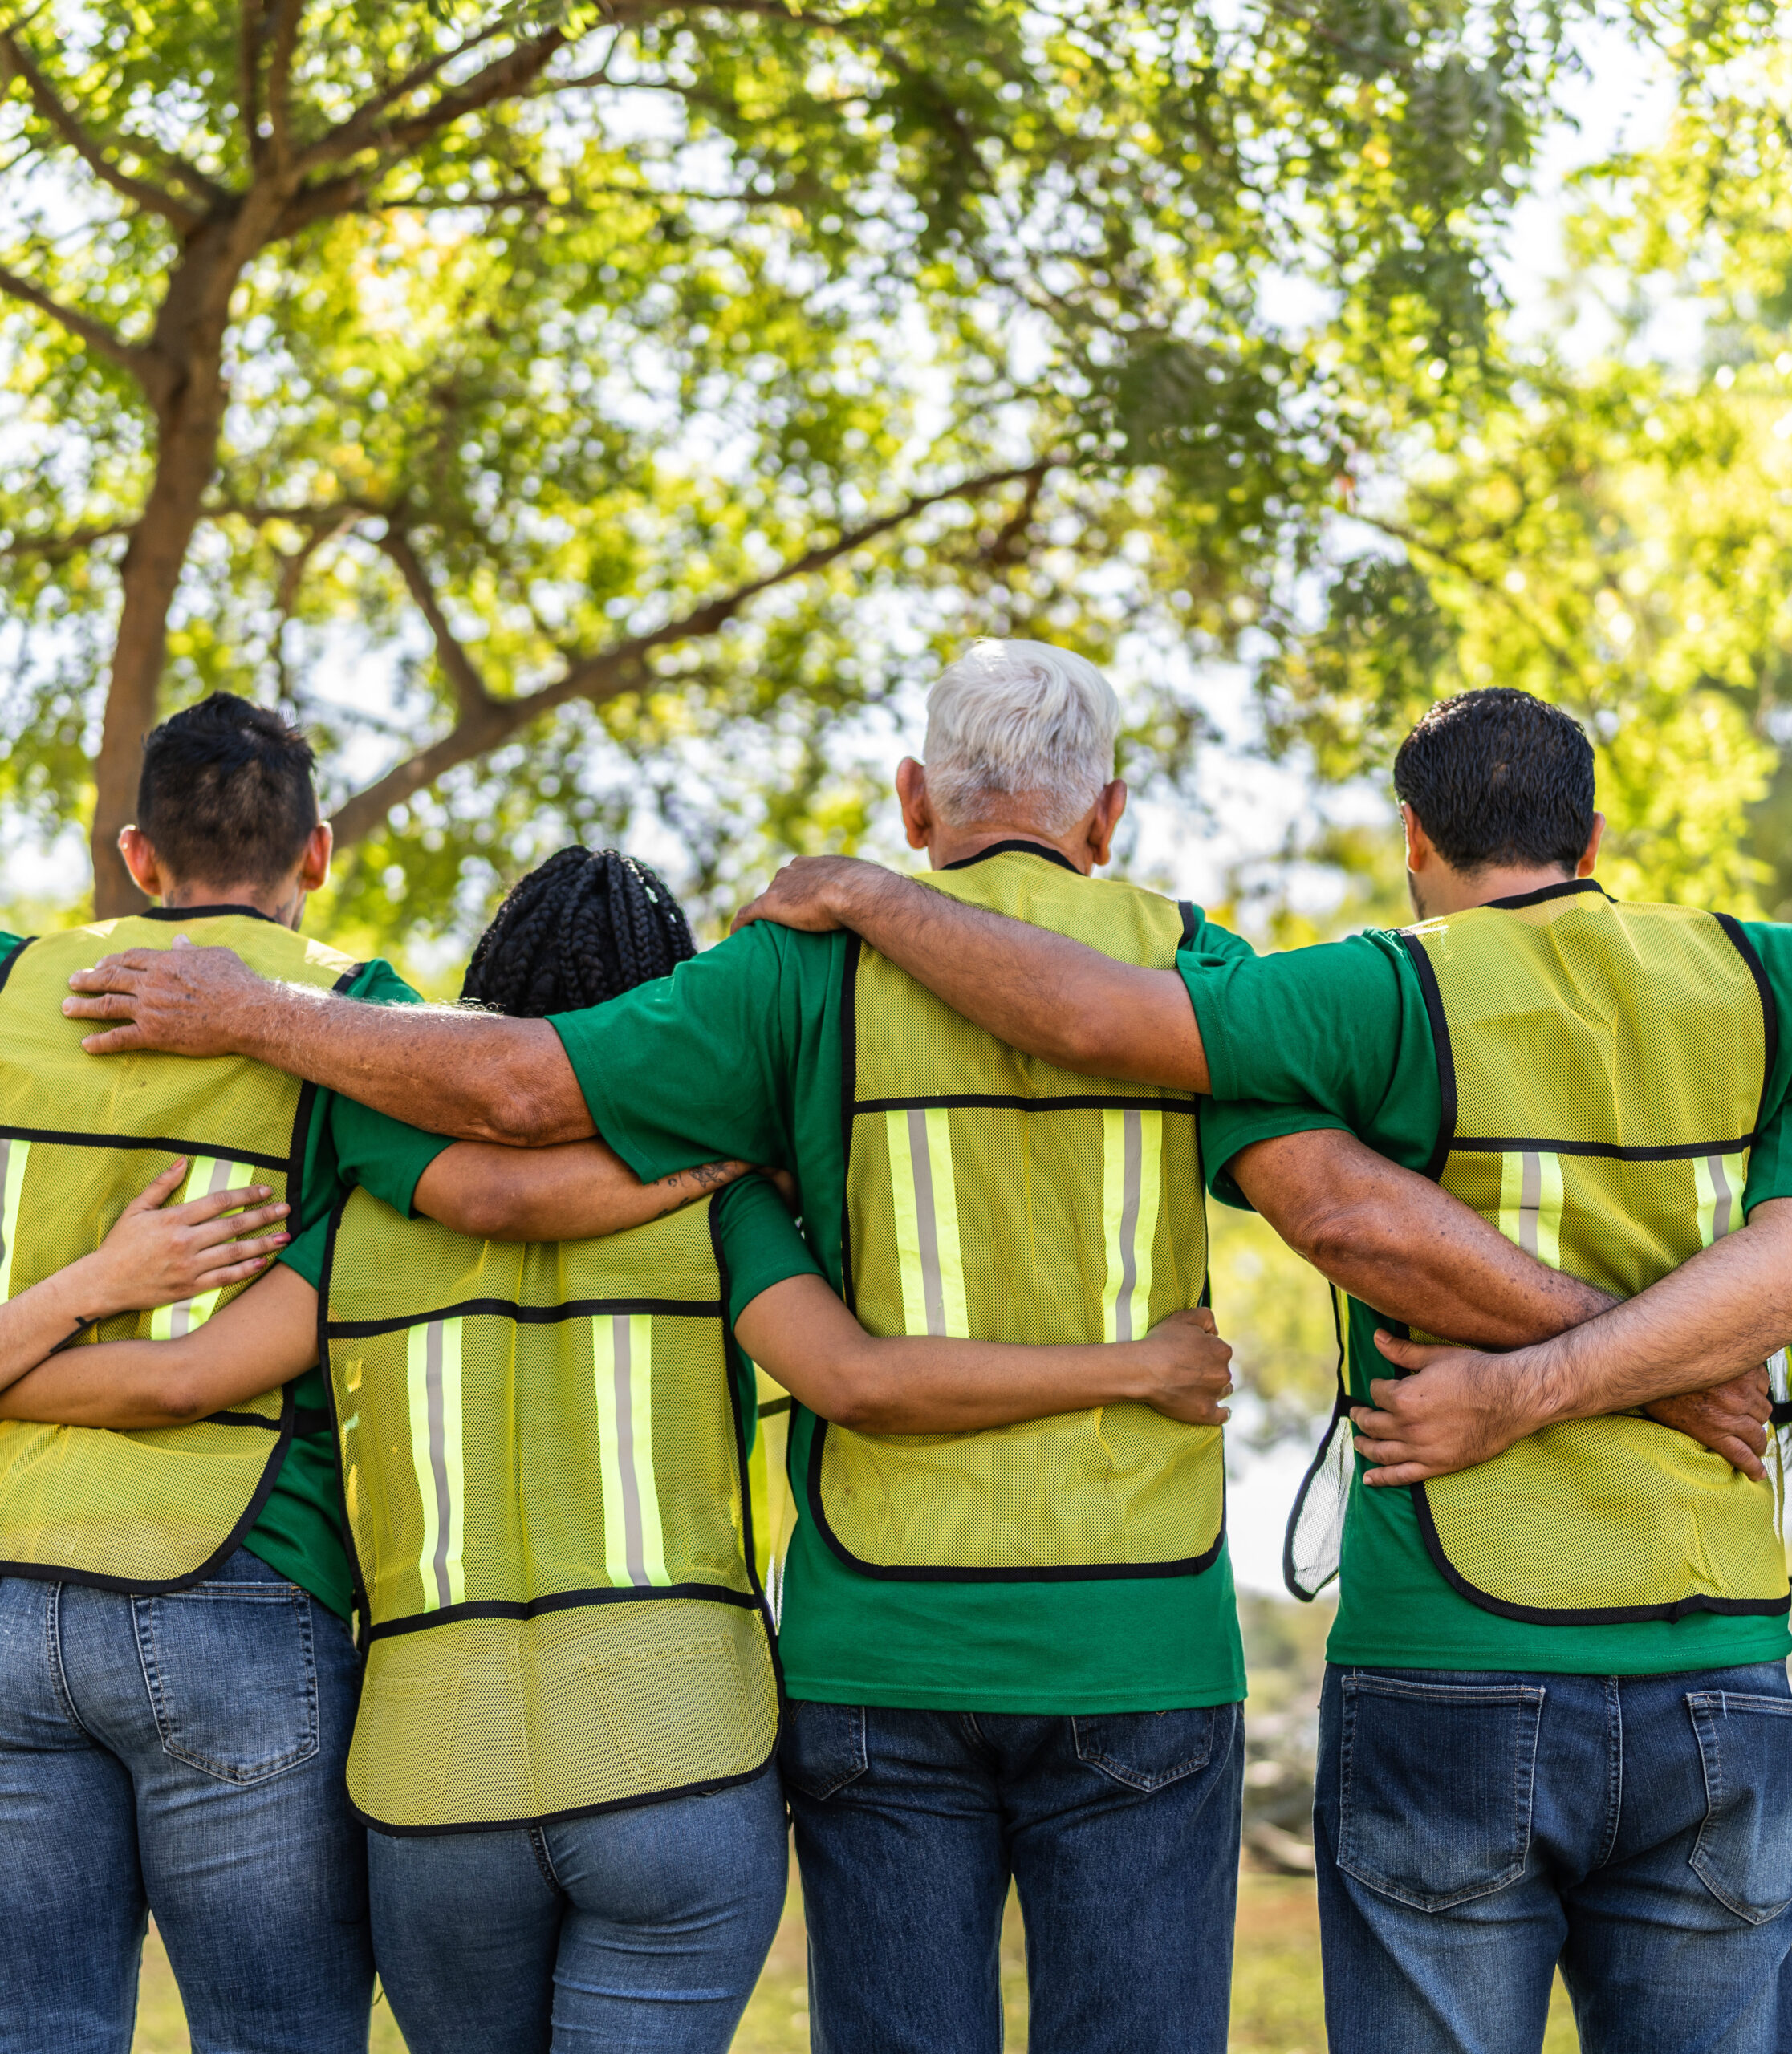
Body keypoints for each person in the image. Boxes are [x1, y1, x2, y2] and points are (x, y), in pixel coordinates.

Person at [53, 647, 1709, 2054]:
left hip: (868, 1654)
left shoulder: (796, 978)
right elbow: (1344, 1211)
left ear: (913, 801)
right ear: (1108, 817)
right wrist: (1629, 1346)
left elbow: (512, 1093)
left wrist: (251, 1012)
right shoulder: (1192, 969)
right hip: (1136, 1645)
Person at [3, 843, 1237, 2054]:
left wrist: (28, 1349)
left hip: (434, 1788)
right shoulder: (726, 1202)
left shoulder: (371, 1207)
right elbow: (857, 1378)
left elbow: (179, 1378)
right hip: (680, 1763)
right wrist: (1134, 1367)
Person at [718, 688, 1792, 2054]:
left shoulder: (1377, 988)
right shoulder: (1763, 980)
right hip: (1719, 1657)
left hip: (1449, 1656)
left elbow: (1111, 1028)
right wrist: (1645, 1373)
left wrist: (875, 897)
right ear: (1592, 834)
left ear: (1412, 837)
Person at [0, 700, 745, 2054]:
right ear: (320, 853)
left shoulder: (10, 983)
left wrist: (63, 1316)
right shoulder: (361, 1025)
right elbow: (502, 1170)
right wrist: (709, 1161)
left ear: (137, 853)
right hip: (231, 1582)